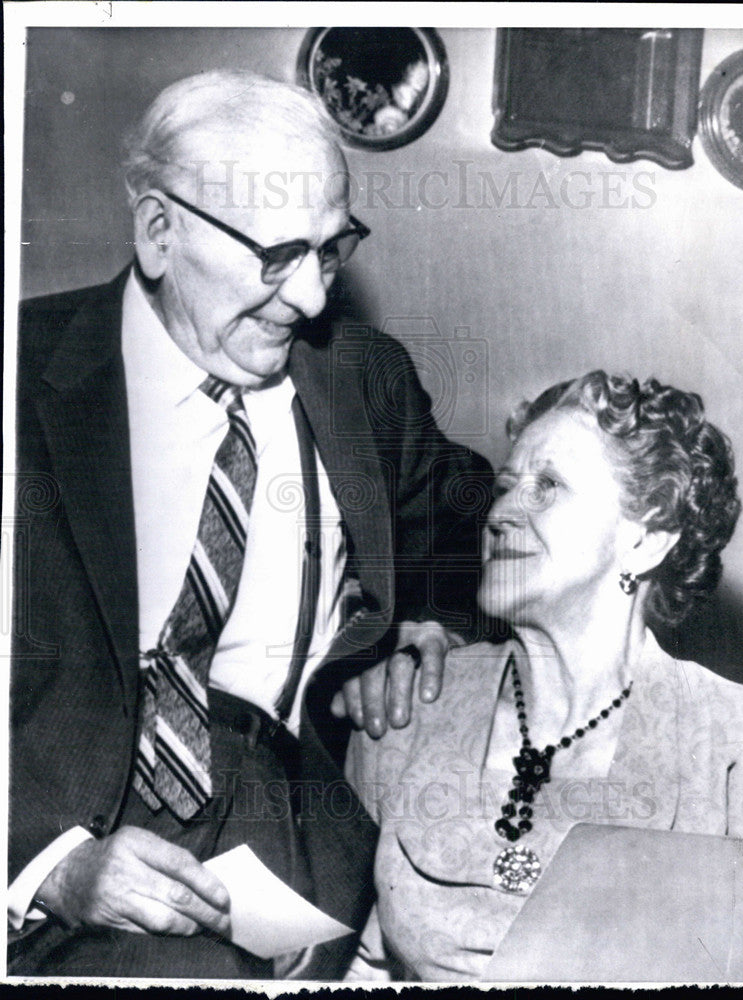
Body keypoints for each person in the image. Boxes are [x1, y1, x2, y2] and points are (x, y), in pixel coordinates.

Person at [9, 70, 491, 979]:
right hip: (57, 847)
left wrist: (434, 628)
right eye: (277, 257)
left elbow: (470, 522)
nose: (310, 299)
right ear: (159, 232)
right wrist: (51, 864)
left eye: (332, 251)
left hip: (291, 833)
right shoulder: (19, 381)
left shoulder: (361, 379)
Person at [345, 371, 743, 982]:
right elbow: (355, 965)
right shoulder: (411, 707)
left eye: (547, 486)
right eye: (504, 487)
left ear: (646, 540)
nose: (500, 512)